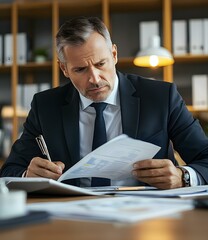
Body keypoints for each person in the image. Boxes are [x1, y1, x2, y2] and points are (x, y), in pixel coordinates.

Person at [1, 16, 208, 189]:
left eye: (101, 64)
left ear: (114, 54)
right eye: (80, 69)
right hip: (72, 217)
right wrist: (28, 175)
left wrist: (183, 177)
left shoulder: (161, 97)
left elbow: (204, 157)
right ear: (64, 69)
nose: (95, 79)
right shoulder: (45, 106)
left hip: (147, 216)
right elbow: (9, 172)